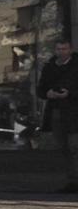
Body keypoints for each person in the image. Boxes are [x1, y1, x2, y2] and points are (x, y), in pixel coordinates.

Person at [38, 38, 78, 193]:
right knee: (64, 148)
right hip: (57, 111)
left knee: (74, 147)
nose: (62, 52)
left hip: (75, 112)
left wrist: (70, 94)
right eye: (59, 49)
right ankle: (73, 181)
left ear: (70, 49)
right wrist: (48, 93)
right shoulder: (49, 67)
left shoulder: (76, 65)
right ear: (55, 50)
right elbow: (41, 89)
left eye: (65, 49)